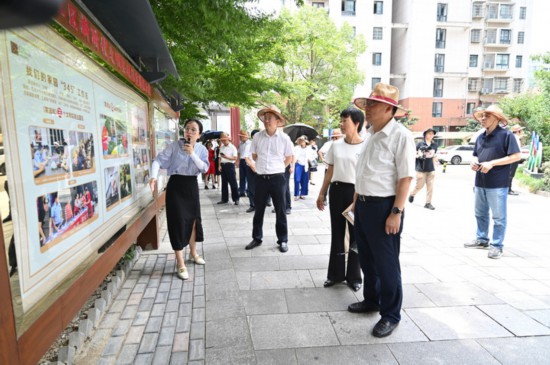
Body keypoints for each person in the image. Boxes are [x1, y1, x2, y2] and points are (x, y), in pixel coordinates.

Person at [348, 83, 416, 338]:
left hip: (385, 207)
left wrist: (396, 212)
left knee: (387, 265)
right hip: (364, 205)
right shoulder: (372, 134)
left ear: (389, 108)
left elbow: (406, 178)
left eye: (373, 104)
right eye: (367, 103)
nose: (368, 108)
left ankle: (390, 314)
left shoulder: (400, 136)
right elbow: (363, 173)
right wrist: (356, 200)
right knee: (367, 259)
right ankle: (371, 300)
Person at [150, 119, 210, 280]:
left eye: (193, 130)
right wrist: (153, 177)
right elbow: (157, 161)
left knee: (193, 221)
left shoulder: (202, 149)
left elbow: (204, 168)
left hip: (191, 185)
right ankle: (180, 262)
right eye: (187, 129)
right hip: (176, 186)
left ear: (199, 134)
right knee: (177, 222)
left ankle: (193, 253)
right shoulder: (174, 146)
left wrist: (192, 153)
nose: (189, 132)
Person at [316, 108, 365, 292]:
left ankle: (354, 277)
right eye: (341, 120)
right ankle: (335, 275)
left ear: (357, 123)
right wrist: (322, 193)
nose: (341, 124)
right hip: (337, 190)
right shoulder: (335, 146)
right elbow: (329, 171)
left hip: (357, 192)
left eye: (345, 121)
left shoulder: (365, 146)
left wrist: (359, 196)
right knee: (337, 233)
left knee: (356, 234)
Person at [464, 105, 521, 259]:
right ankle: (482, 239)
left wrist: (492, 163)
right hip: (480, 181)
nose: (483, 119)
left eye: (487, 116)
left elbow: (516, 156)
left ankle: (497, 245)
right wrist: (474, 162)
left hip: (497, 183)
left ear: (497, 118)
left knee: (498, 217)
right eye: (482, 116)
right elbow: (476, 154)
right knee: (480, 213)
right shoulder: (481, 136)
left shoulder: (506, 135)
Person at [245, 105, 294, 253]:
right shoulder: (257, 136)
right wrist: (261, 166)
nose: (267, 121)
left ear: (278, 120)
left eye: (270, 118)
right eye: (265, 118)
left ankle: (283, 240)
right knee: (258, 209)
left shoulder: (284, 138)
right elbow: (253, 155)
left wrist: (278, 167)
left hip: (278, 178)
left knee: (280, 210)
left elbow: (289, 158)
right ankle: (257, 237)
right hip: (260, 178)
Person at [408, 127, 438, 210]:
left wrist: (436, 161)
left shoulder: (434, 145)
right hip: (420, 168)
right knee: (419, 186)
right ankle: (412, 194)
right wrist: (419, 155)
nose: (431, 135)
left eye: (432, 134)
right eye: (429, 133)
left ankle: (428, 203)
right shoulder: (419, 144)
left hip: (431, 169)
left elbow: (434, 155)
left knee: (430, 187)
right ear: (425, 135)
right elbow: (413, 154)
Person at [318, 129, 343, 206]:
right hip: (328, 167)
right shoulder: (329, 144)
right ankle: (324, 198)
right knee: (327, 183)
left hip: (338, 169)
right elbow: (320, 151)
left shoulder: (343, 144)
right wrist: (323, 160)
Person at [217, 133, 240, 205]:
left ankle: (236, 199)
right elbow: (220, 157)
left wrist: (227, 157)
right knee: (224, 183)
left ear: (228, 139)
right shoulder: (222, 147)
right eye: (222, 140)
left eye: (224, 140)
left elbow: (235, 158)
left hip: (230, 165)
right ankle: (224, 199)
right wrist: (219, 165)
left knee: (233, 183)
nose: (223, 141)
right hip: (223, 166)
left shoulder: (232, 147)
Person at [292, 135, 313, 200]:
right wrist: (292, 166)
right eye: (300, 141)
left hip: (306, 165)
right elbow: (294, 157)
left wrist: (309, 159)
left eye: (302, 141)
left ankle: (303, 194)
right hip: (298, 164)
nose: (301, 142)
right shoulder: (296, 148)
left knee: (305, 180)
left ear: (305, 142)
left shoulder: (309, 148)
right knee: (297, 180)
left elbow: (312, 157)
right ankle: (296, 194)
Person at [508, 124, 524, 195]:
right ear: (518, 131)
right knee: (511, 174)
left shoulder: (514, 137)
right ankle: (508, 189)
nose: (523, 131)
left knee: (510, 173)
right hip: (514, 158)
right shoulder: (515, 138)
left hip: (513, 158)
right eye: (521, 130)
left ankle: (508, 188)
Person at [237, 130, 251, 197]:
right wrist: (238, 161)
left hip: (248, 161)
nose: (240, 138)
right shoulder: (240, 144)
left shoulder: (250, 143)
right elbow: (239, 153)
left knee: (249, 177)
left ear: (246, 137)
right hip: (242, 161)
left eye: (241, 136)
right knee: (242, 177)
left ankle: (248, 191)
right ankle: (242, 191)